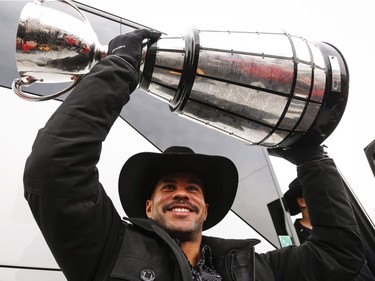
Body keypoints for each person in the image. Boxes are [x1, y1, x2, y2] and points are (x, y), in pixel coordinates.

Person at [23, 28, 365, 281]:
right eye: (168, 186)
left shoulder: (256, 268)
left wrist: (312, 160)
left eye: (192, 188)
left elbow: (339, 255)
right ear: (147, 207)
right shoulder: (107, 250)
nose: (181, 193)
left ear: (206, 208)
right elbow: (53, 170)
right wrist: (119, 67)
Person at [284, 179, 375, 281]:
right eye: (321, 194)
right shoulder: (295, 240)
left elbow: (370, 256)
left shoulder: (343, 223)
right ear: (302, 201)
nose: (329, 198)